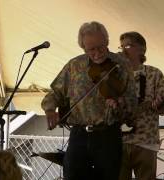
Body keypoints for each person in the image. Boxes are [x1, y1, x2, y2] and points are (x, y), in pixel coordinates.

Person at [41, 21, 137, 180]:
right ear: (83, 48)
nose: (98, 53)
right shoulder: (75, 65)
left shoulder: (122, 65)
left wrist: (120, 103)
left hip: (108, 135)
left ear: (107, 41)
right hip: (79, 134)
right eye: (91, 49)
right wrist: (50, 109)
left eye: (101, 47)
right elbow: (56, 91)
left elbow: (132, 102)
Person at [118, 31, 164, 180]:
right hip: (119, 141)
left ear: (142, 49)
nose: (123, 50)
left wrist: (158, 104)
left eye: (128, 45)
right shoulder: (116, 74)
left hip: (146, 141)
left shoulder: (154, 73)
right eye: (121, 46)